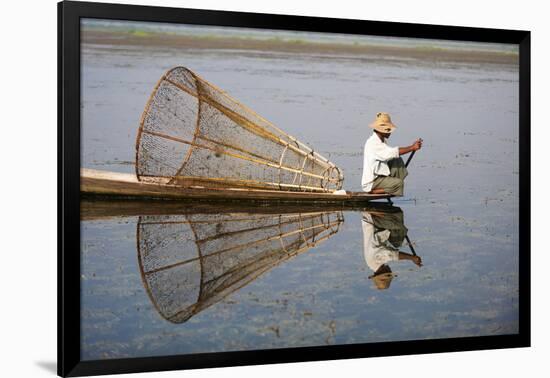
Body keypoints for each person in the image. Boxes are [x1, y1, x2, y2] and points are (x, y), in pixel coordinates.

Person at [361, 112, 423, 196]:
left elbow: (391, 154)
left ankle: (392, 185)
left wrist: (412, 147)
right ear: (381, 130)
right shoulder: (374, 143)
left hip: (379, 176)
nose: (390, 132)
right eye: (388, 130)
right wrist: (412, 147)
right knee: (399, 184)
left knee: (397, 160)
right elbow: (393, 152)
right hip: (372, 182)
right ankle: (375, 191)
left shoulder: (381, 141)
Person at [361, 209, 422, 290]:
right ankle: (386, 212)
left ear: (382, 272)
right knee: (398, 220)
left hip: (372, 222)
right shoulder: (374, 264)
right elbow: (390, 253)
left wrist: (412, 258)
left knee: (399, 226)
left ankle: (376, 212)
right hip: (377, 226)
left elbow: (393, 255)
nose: (390, 269)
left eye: (388, 272)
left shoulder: (375, 261)